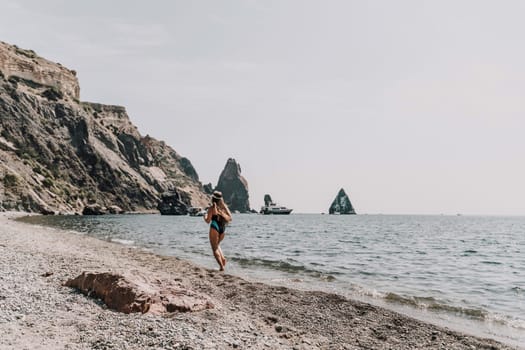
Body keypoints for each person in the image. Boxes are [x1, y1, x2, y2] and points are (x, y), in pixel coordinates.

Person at [204, 191, 232, 271]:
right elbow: (230, 218)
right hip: (222, 229)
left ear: (212, 199)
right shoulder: (223, 208)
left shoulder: (212, 208)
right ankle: (222, 259)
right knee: (217, 245)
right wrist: (224, 205)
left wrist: (205, 216)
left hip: (214, 227)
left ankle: (221, 267)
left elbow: (208, 221)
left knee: (214, 248)